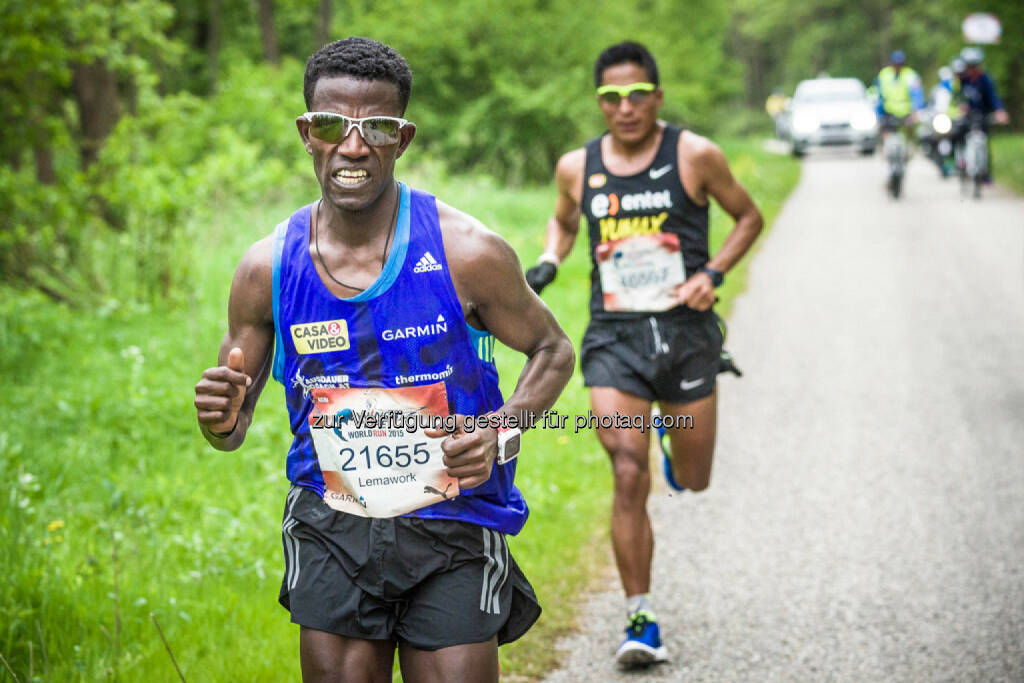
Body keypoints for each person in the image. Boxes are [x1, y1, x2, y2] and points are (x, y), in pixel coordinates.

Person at [193, 37, 575, 682]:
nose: (352, 146)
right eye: (331, 125)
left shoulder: (467, 251)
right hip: (330, 524)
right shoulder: (266, 268)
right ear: (306, 133)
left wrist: (502, 433)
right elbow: (230, 432)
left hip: (453, 519)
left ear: (403, 138)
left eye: (376, 127)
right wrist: (217, 418)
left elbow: (553, 348)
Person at [525, 41, 763, 667]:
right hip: (615, 339)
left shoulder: (695, 155)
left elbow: (748, 218)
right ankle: (641, 618)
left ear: (656, 97)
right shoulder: (577, 166)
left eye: (636, 95)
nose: (624, 108)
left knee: (694, 476)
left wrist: (712, 272)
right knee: (626, 469)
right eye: (610, 97)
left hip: (686, 336)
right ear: (599, 102)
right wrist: (551, 259)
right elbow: (564, 221)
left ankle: (673, 446)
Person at [951, 46, 1010, 181]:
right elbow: (955, 97)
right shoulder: (961, 80)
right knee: (958, 133)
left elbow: (993, 97)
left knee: (983, 142)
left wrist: (1000, 111)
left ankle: (985, 173)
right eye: (969, 66)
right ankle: (961, 162)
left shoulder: (986, 80)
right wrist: (960, 107)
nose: (972, 69)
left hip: (982, 115)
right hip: (967, 116)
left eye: (975, 65)